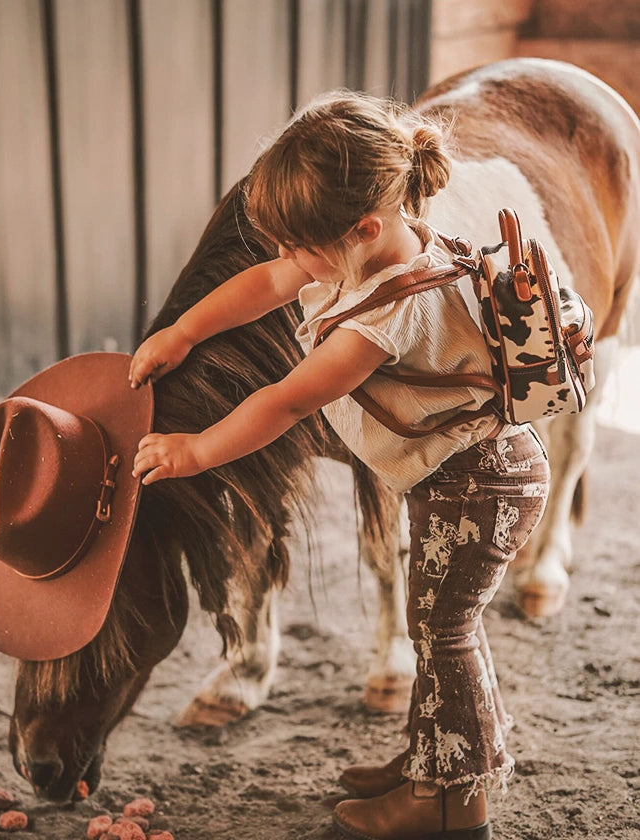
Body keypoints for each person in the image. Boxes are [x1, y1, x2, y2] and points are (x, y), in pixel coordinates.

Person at [128, 91, 550, 840]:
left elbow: (287, 402)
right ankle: (433, 759)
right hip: (453, 479)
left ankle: (456, 801)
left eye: (300, 250)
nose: (289, 265)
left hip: (478, 487)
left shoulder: (389, 315)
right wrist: (186, 332)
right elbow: (267, 283)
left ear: (362, 229)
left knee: (444, 633)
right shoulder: (374, 244)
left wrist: (195, 450)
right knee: (435, 628)